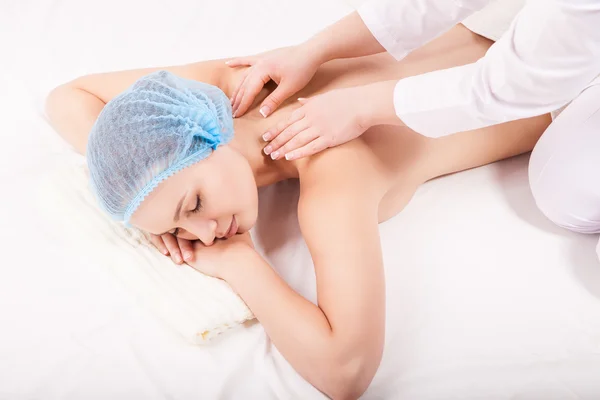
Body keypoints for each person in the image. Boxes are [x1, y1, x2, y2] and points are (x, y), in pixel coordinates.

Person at [45, 24, 550, 399]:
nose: (203, 234)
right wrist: (130, 171)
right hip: (517, 24)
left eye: (194, 204)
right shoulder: (231, 84)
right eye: (178, 228)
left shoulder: (335, 173)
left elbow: (346, 371)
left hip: (563, 80)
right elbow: (66, 98)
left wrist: (240, 263)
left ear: (208, 135)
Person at [230, 0, 600, 237]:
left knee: (564, 193)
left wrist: (360, 106)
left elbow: (512, 84)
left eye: (194, 204)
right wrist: (314, 49)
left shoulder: (335, 190)